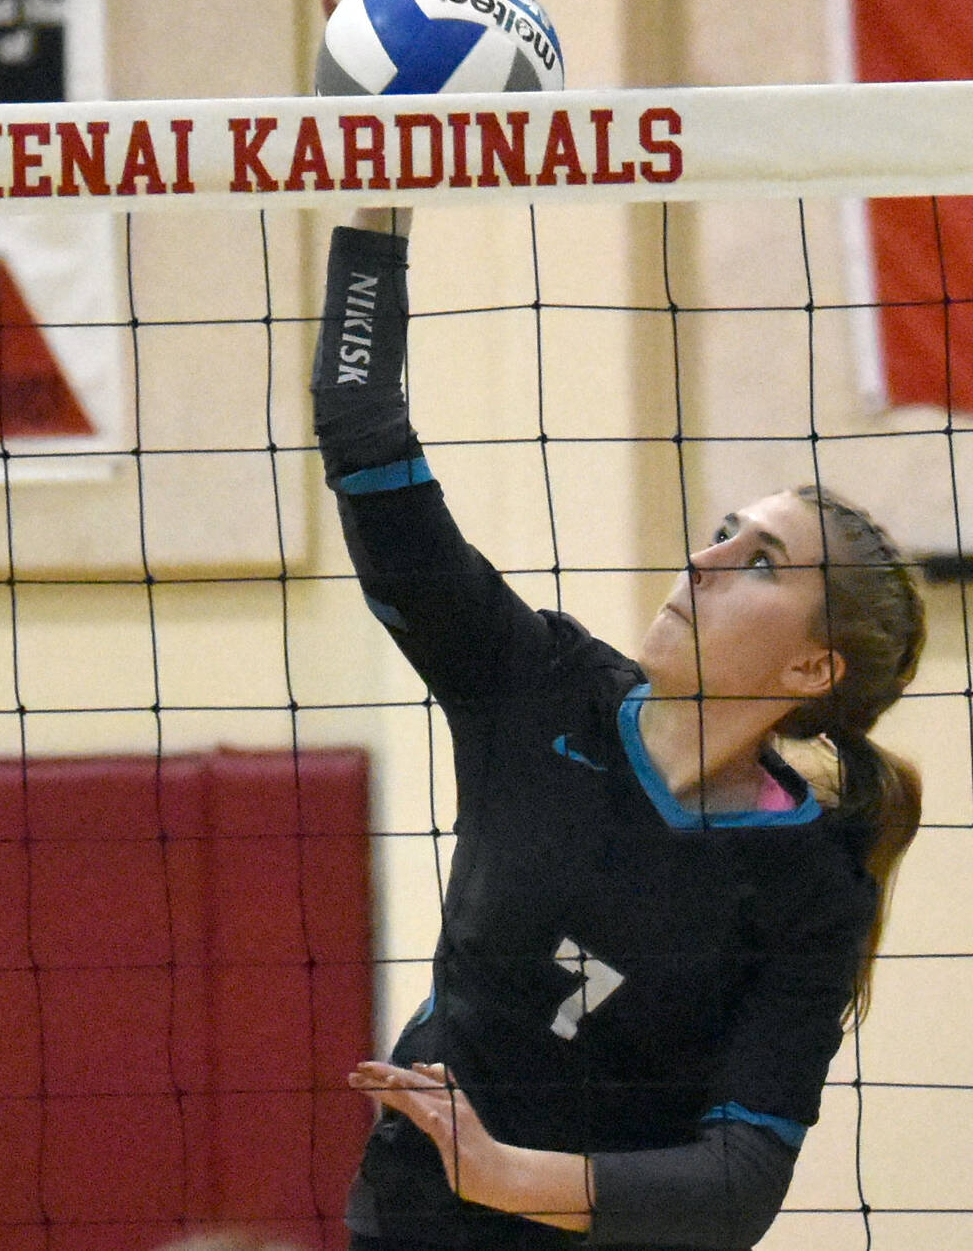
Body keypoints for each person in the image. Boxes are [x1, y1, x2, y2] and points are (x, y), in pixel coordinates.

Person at [315, 208, 924, 1250]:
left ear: (810, 667)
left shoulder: (808, 889)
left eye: (761, 562)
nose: (703, 560)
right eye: (723, 529)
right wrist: (380, 197)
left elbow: (736, 1184)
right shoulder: (538, 684)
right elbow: (361, 429)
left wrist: (506, 1175)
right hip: (406, 1225)